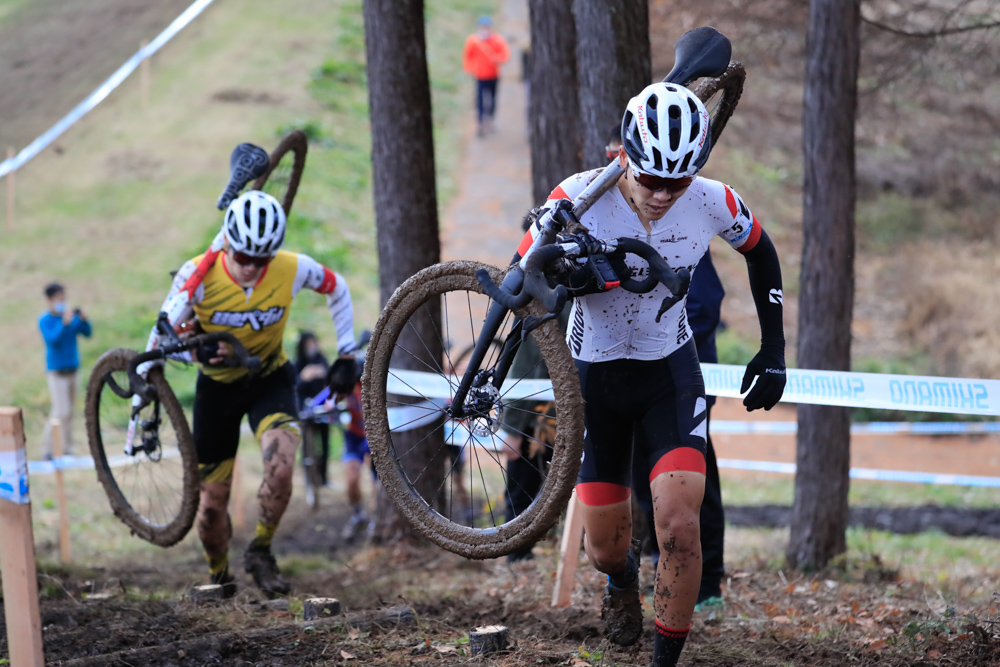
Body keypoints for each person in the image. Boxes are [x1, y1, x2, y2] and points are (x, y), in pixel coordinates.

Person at [516, 83, 786, 667]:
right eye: (651, 180)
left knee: (678, 525)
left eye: (677, 182)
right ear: (625, 158)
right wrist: (556, 259)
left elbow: (762, 253)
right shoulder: (577, 196)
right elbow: (518, 279)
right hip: (594, 379)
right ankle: (620, 585)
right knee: (606, 549)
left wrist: (774, 349)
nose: (664, 195)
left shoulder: (716, 199)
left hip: (671, 372)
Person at [148, 190, 357, 597]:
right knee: (211, 507)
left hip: (270, 378)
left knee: (280, 468)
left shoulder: (292, 268)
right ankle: (220, 576)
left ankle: (261, 550)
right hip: (217, 390)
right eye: (242, 258)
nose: (250, 268)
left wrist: (346, 352)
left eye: (261, 261)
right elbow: (158, 343)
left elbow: (339, 288)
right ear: (227, 243)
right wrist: (196, 350)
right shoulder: (197, 276)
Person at [605, 123, 728, 610]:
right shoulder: (622, 224)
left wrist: (662, 348)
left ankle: (710, 581)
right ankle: (660, 562)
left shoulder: (683, 228)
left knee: (699, 481)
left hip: (681, 376)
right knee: (644, 478)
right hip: (634, 378)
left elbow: (705, 303)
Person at [38, 283, 92, 460]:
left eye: (63, 298)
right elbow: (52, 340)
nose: (62, 301)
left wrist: (84, 319)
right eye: (58, 298)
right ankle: (47, 449)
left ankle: (68, 449)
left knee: (70, 412)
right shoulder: (45, 320)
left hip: (73, 370)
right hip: (56, 372)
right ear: (49, 300)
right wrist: (63, 324)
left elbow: (87, 333)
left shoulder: (69, 317)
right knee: (60, 411)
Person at [295, 331, 332, 499]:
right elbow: (294, 387)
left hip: (323, 409)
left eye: (313, 342)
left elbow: (332, 381)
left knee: (325, 443)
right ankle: (310, 479)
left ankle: (324, 478)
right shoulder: (298, 364)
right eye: (308, 344)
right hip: (305, 411)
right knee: (308, 446)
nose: (311, 347)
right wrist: (303, 377)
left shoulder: (322, 360)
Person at [462, 16, 510, 136]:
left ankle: (491, 120)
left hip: (494, 75)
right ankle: (480, 123)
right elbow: (467, 55)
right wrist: (469, 68)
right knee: (480, 100)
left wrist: (498, 59)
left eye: (486, 27)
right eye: (482, 27)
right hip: (480, 76)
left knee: (492, 98)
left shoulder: (497, 40)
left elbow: (505, 54)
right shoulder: (473, 41)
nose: (485, 29)